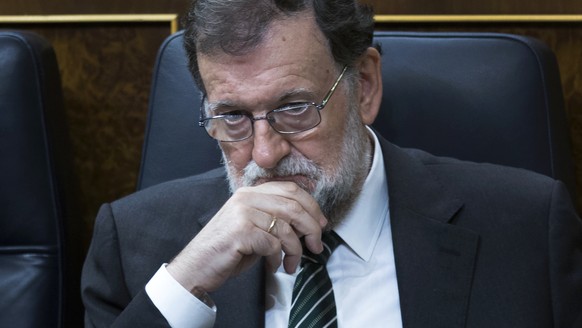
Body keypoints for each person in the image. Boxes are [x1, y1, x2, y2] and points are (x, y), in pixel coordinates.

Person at [81, 0, 582, 327]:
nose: (264, 154)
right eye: (232, 116)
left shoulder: (527, 227)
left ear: (363, 85)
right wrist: (186, 285)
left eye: (295, 108)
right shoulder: (136, 245)